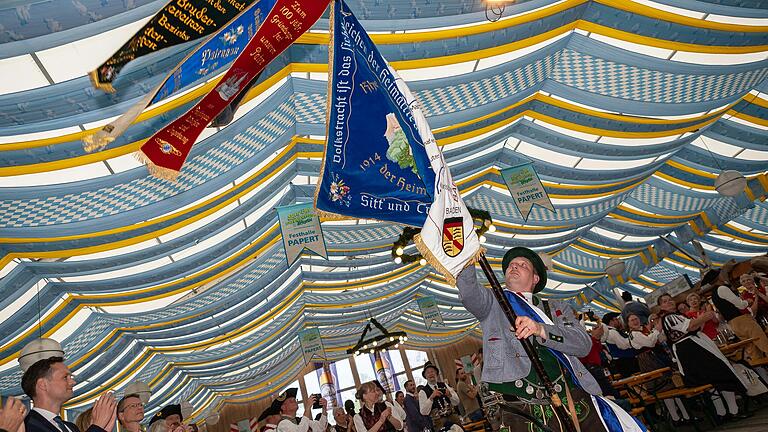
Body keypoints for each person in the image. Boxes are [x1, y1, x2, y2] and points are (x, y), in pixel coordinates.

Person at [457, 246, 644, 432]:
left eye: (522, 265)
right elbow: (468, 291)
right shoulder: (491, 302)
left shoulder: (556, 308)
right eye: (511, 265)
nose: (514, 267)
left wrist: (541, 329)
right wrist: (467, 249)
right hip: (516, 402)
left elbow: (583, 345)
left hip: (571, 394)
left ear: (535, 278)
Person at [658, 293, 749, 421]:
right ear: (661, 306)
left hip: (695, 348)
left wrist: (701, 320)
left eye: (670, 300)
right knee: (722, 375)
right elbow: (689, 326)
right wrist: (705, 316)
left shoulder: (677, 316)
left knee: (715, 379)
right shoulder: (668, 317)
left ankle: (724, 413)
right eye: (665, 301)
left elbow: (694, 327)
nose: (669, 302)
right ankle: (730, 411)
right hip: (691, 351)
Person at [21, 356, 117, 432]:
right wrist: (97, 426)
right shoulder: (26, 427)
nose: (73, 382)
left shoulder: (71, 428)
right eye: (65, 377)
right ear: (43, 384)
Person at [625, 314, 690, 424]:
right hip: (649, 361)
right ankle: (676, 418)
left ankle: (685, 416)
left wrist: (654, 331)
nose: (635, 321)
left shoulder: (643, 330)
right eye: (632, 320)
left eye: (636, 319)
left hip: (657, 358)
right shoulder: (634, 334)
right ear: (628, 324)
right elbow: (650, 342)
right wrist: (656, 331)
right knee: (664, 389)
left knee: (673, 386)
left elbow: (660, 339)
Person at [705, 269, 768, 360]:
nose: (723, 275)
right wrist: (747, 302)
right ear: (718, 277)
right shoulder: (722, 288)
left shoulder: (714, 294)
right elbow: (740, 305)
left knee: (753, 351)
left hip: (733, 324)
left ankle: (762, 372)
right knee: (763, 344)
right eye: (721, 274)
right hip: (743, 320)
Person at [417, 363, 460, 431]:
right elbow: (423, 412)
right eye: (428, 372)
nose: (431, 374)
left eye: (432, 371)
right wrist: (431, 398)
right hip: (439, 423)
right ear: (425, 376)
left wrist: (450, 395)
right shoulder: (423, 392)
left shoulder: (444, 385)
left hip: (453, 419)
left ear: (436, 373)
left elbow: (457, 402)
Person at [598, 312, 639, 378]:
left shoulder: (612, 331)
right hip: (625, 361)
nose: (618, 321)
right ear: (611, 321)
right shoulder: (612, 332)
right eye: (616, 319)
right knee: (635, 378)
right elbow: (623, 345)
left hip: (624, 360)